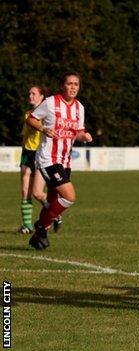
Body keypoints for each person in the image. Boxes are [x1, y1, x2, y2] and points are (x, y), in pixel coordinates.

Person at [26, 72, 93, 250]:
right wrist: (43, 129)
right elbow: (31, 119)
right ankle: (41, 226)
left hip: (65, 160)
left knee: (53, 199)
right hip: (48, 158)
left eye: (76, 84)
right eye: (69, 83)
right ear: (62, 86)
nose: (73, 87)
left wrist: (84, 136)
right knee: (69, 196)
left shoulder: (80, 107)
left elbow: (78, 132)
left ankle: (39, 235)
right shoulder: (50, 103)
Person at [17, 86, 48, 234]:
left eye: (33, 93)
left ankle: (54, 211)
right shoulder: (27, 115)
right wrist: (23, 152)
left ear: (41, 97)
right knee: (24, 190)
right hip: (27, 153)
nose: (30, 96)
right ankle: (27, 224)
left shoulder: (46, 115)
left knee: (38, 193)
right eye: (29, 93)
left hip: (40, 154)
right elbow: (25, 136)